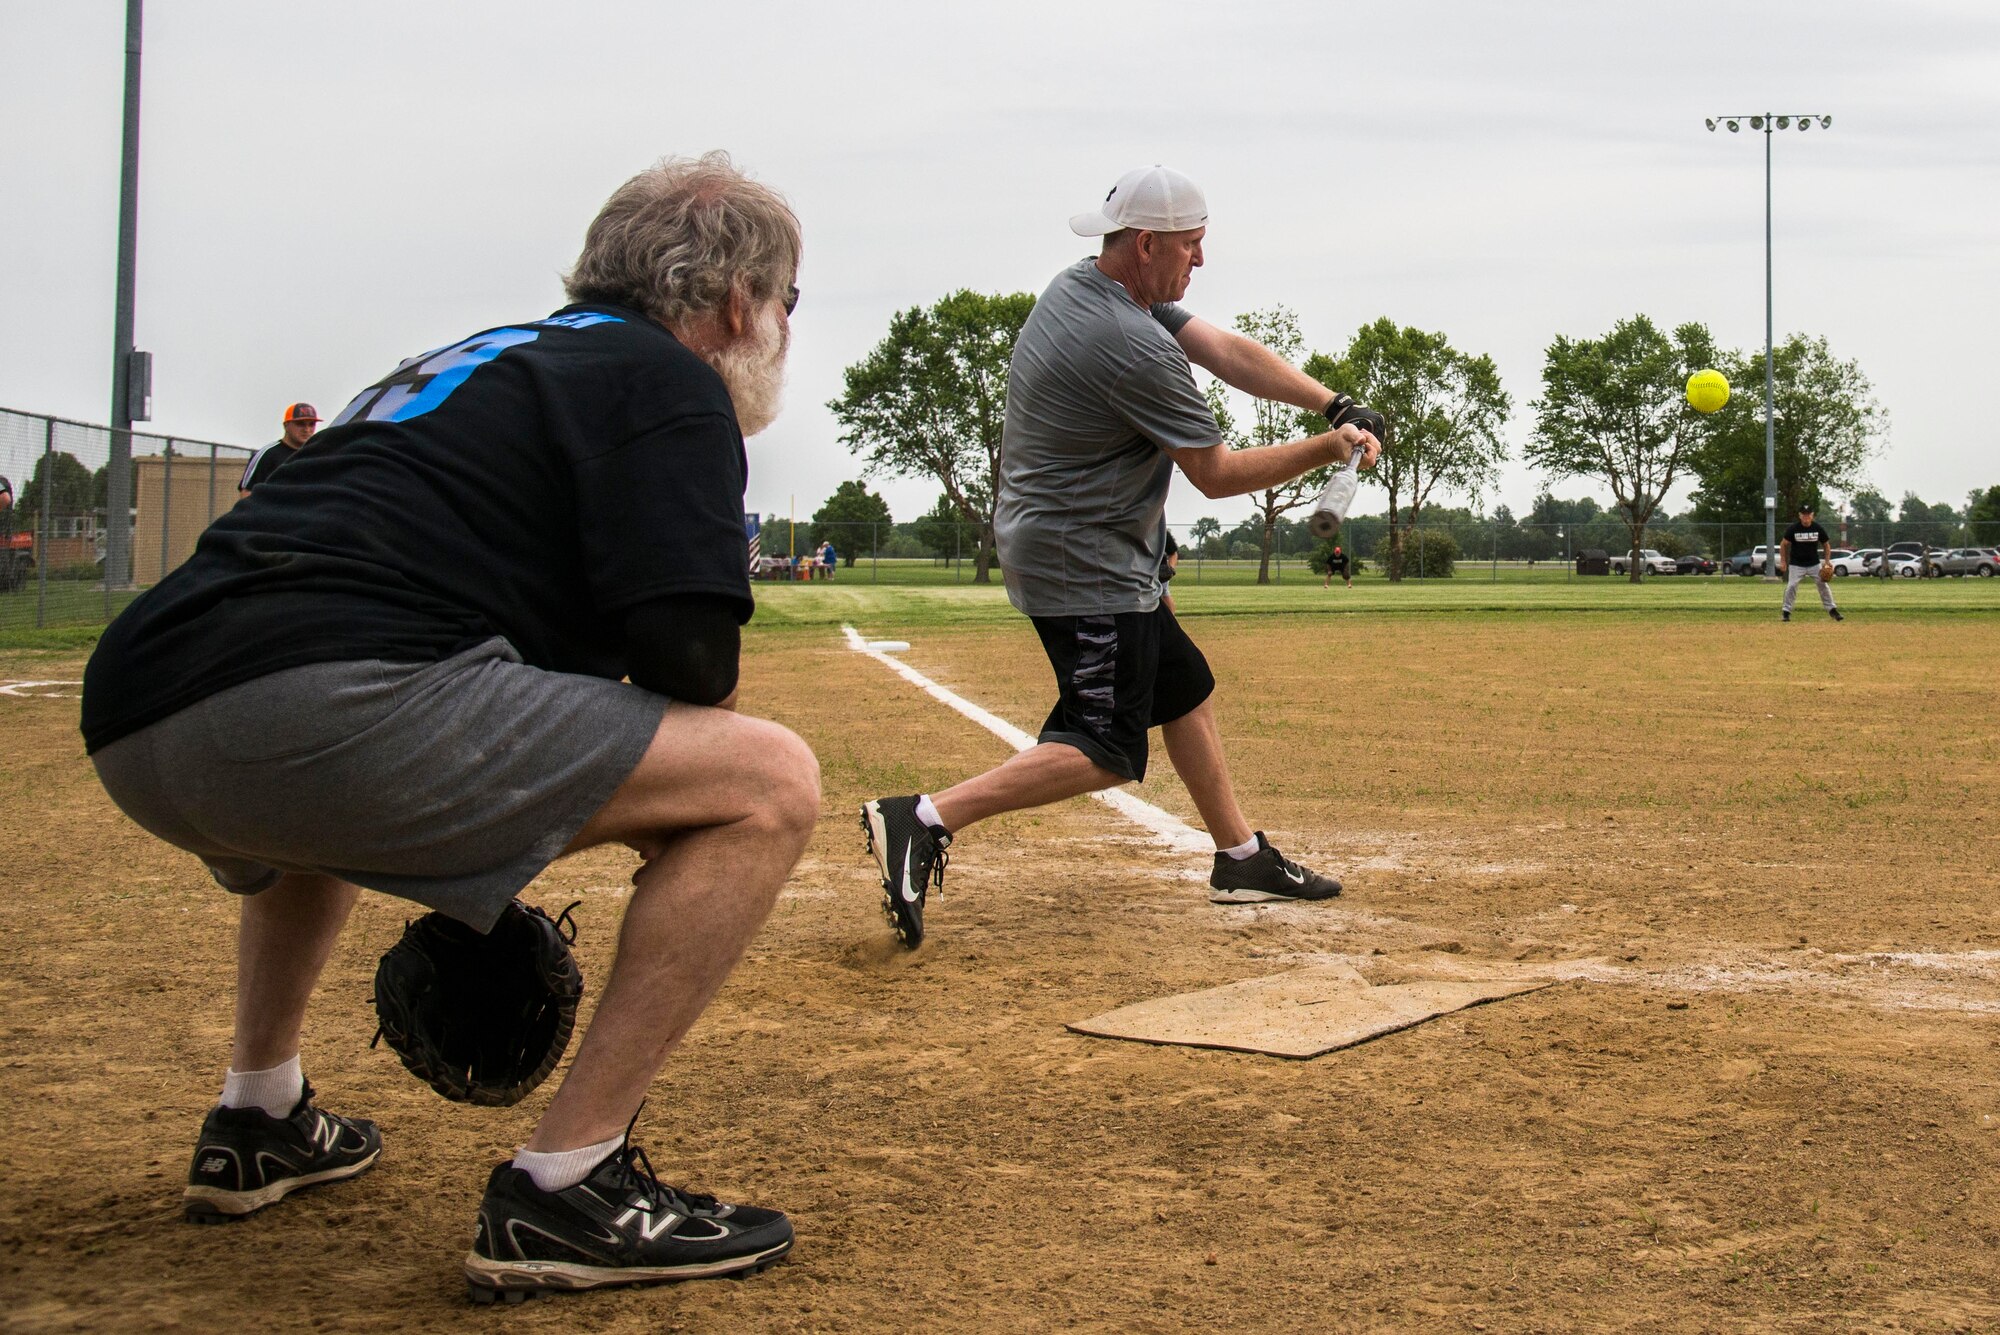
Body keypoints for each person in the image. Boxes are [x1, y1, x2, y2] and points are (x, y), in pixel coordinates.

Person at [80, 152, 819, 1301]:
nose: (778, 324)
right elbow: (690, 666)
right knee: (764, 779)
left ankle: (259, 1112)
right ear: (733, 301)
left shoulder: (470, 361)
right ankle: (568, 1187)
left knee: (317, 798)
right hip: (316, 709)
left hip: (141, 711)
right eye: (783, 299)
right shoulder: (664, 376)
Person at [860, 165, 1381, 949]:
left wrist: (1330, 401)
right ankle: (924, 818)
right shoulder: (1130, 346)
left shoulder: (1087, 287)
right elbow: (1214, 474)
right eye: (1191, 246)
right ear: (1146, 243)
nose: (1199, 261)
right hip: (1084, 562)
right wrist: (1327, 448)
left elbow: (1224, 348)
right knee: (1105, 748)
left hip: (1086, 543)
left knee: (1184, 688)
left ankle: (1240, 856)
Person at [1779, 501, 1843, 622]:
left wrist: (1827, 562)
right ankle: (1786, 612)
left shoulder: (1817, 528)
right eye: (1804, 514)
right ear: (1800, 515)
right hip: (1796, 563)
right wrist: (1783, 561)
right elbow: (1783, 544)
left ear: (1812, 515)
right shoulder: (1794, 529)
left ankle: (1832, 610)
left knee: (1823, 585)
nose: (1806, 517)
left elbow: (1826, 545)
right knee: (1791, 586)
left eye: (1808, 514)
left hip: (1814, 563)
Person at [237, 403, 320, 495]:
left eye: (311, 424)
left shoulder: (316, 454)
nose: (307, 429)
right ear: (286, 426)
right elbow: (247, 492)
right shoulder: (267, 454)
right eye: (300, 424)